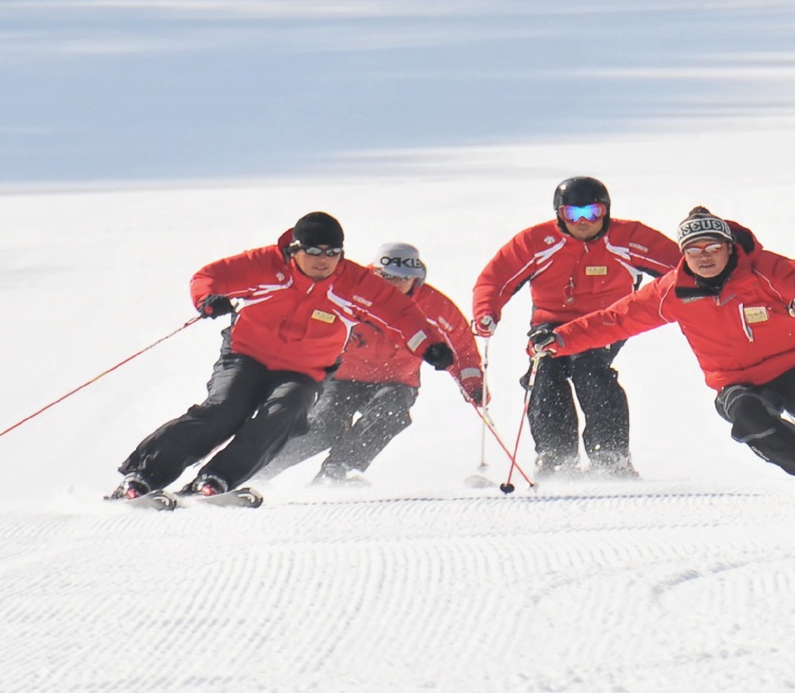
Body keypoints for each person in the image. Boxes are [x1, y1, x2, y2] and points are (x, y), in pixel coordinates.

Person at [528, 206, 795, 506]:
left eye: (712, 247)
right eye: (694, 251)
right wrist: (558, 341)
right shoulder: (671, 292)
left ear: (728, 246)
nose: (704, 257)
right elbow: (612, 321)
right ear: (684, 255)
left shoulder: (762, 270)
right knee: (748, 419)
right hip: (733, 379)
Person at [112, 212, 454, 500]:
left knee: (285, 412)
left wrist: (430, 345)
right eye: (314, 251)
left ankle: (217, 480)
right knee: (225, 411)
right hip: (246, 355)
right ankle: (144, 476)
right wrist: (207, 300)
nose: (324, 260)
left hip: (303, 370)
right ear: (295, 250)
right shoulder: (265, 264)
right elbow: (209, 277)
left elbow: (401, 315)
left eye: (332, 253)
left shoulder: (354, 282)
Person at [470, 176, 677, 478]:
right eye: (573, 214)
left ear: (605, 211)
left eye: (592, 213)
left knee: (589, 367)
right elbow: (496, 278)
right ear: (559, 214)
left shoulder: (630, 237)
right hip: (549, 324)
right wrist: (486, 312)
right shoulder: (535, 242)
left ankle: (611, 456)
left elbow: (682, 270)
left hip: (608, 321)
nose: (583, 222)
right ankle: (556, 457)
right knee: (545, 372)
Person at [257, 242, 486, 485]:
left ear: (416, 279)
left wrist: (472, 384)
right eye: (385, 276)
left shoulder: (434, 307)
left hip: (397, 381)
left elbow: (462, 349)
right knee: (325, 424)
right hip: (343, 377)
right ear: (374, 273)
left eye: (403, 278)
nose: (393, 284)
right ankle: (258, 469)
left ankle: (338, 471)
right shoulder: (349, 291)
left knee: (390, 413)